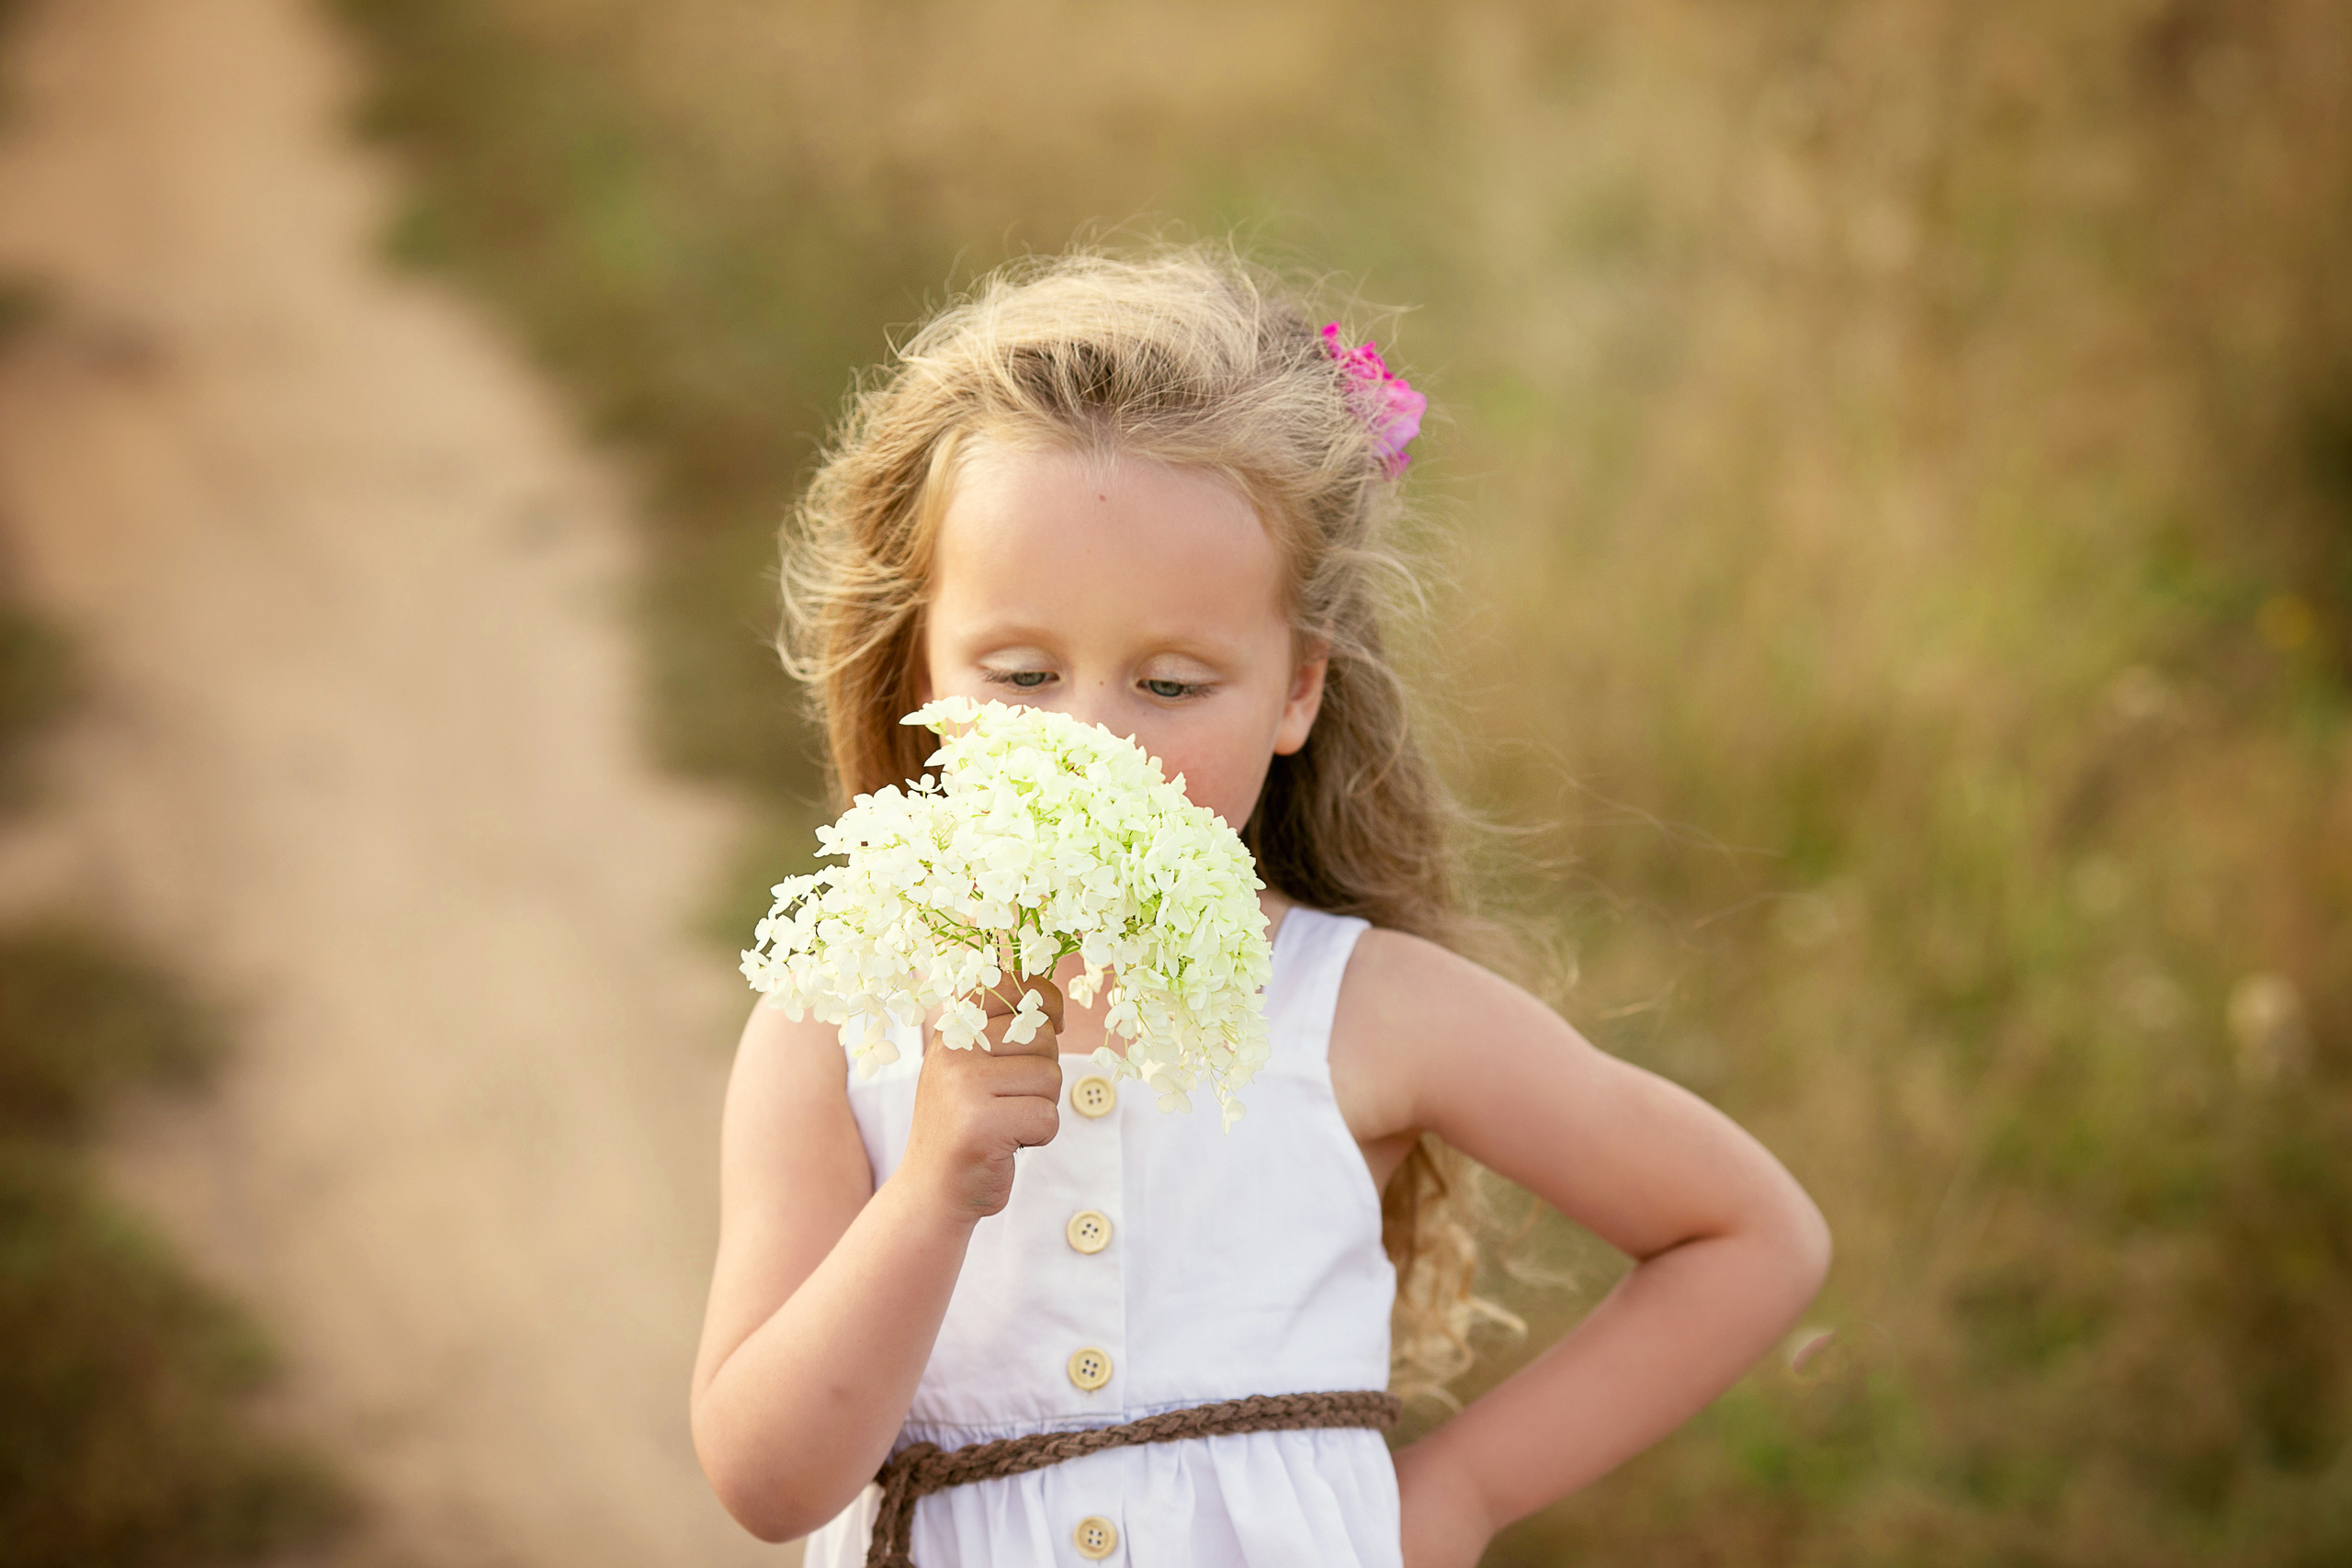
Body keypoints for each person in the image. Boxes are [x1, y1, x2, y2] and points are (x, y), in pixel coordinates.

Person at [690, 244, 1832, 1568]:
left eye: (1171, 686)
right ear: (919, 666)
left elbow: (1749, 1234)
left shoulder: (1364, 1013)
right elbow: (767, 1483)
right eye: (1020, 671)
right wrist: (934, 1189)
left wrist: (1457, 1494)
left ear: (1296, 692)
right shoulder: (843, 1019)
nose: (1093, 745)